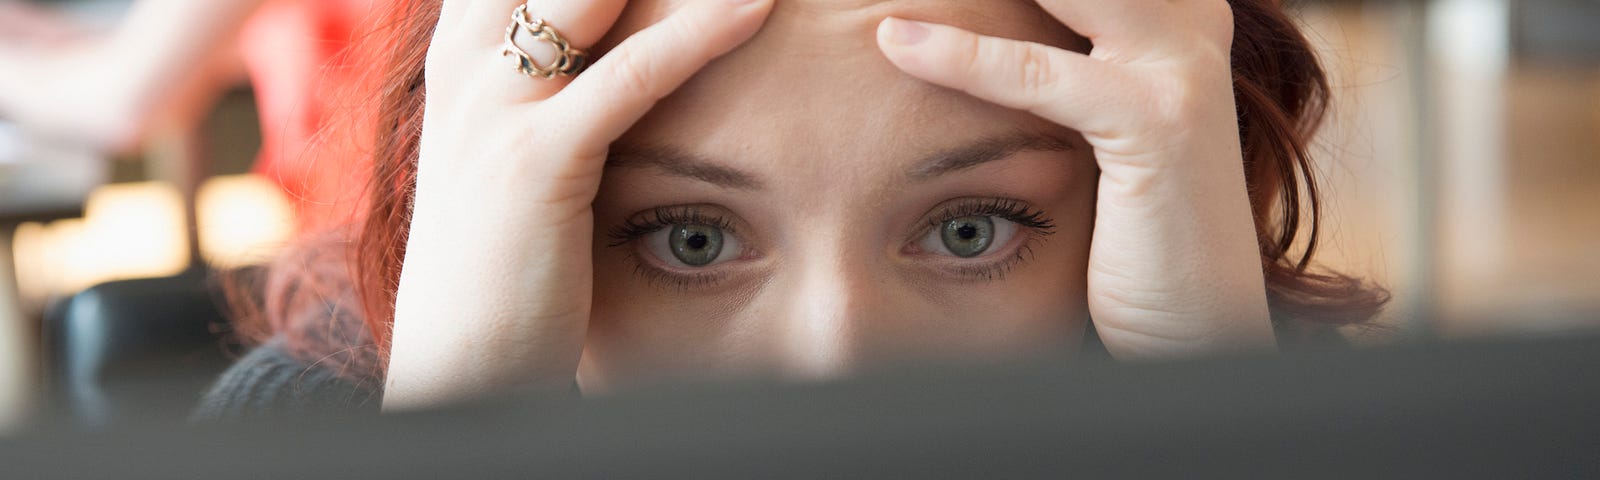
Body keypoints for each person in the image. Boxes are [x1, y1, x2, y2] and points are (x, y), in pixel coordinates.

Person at [193, 0, 1390, 420]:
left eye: (970, 229)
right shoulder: (310, 436)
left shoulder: (1338, 425)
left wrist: (1212, 411)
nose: (837, 362)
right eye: (691, 239)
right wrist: (464, 442)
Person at [0, 0, 375, 232]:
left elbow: (123, 108)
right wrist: (42, 36)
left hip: (360, 261)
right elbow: (184, 56)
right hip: (378, 247)